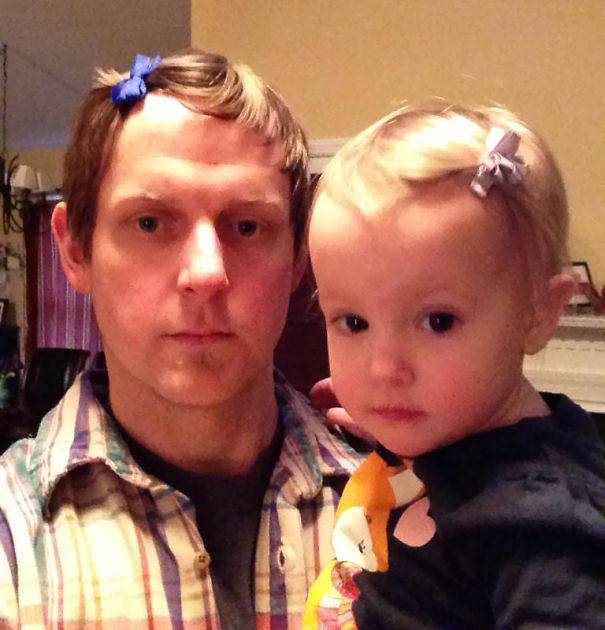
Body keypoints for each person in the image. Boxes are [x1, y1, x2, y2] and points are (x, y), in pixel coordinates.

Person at [0, 50, 361, 628]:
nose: (206, 273)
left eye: (247, 226)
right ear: (74, 251)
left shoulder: (408, 503)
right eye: (149, 222)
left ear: (299, 255)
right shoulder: (11, 540)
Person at [303, 103, 605, 628]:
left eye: (438, 322)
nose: (384, 368)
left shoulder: (541, 526)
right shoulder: (453, 439)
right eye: (353, 323)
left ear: (539, 314)